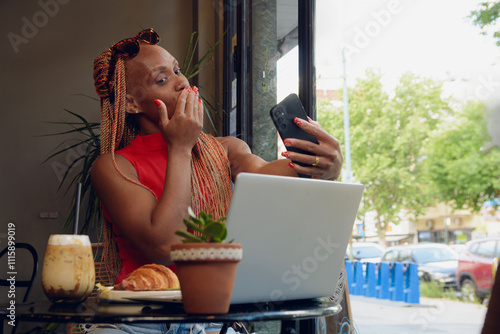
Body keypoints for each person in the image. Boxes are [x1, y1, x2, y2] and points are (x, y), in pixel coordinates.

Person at [88, 28, 343, 334]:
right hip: (137, 319)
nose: (183, 81)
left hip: (210, 320)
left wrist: (324, 167)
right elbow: (167, 244)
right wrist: (180, 148)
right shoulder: (113, 166)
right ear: (131, 103)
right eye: (162, 79)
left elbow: (275, 180)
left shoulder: (226, 151)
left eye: (178, 70)